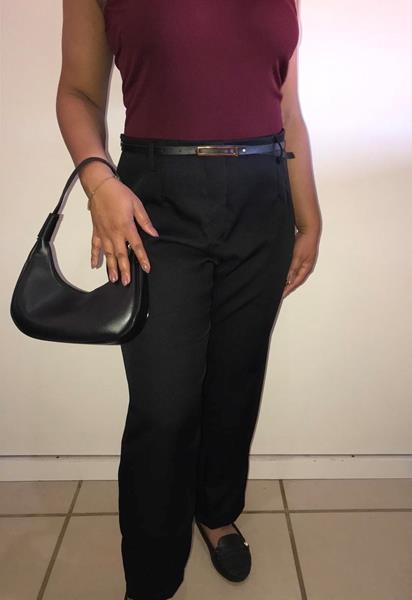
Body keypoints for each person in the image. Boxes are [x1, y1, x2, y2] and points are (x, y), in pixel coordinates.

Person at [56, 1, 321, 598]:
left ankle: (216, 510)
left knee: (235, 379)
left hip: (262, 198)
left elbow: (287, 109)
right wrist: (98, 181)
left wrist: (308, 216)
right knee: (164, 406)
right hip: (155, 204)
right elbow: (78, 92)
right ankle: (151, 573)